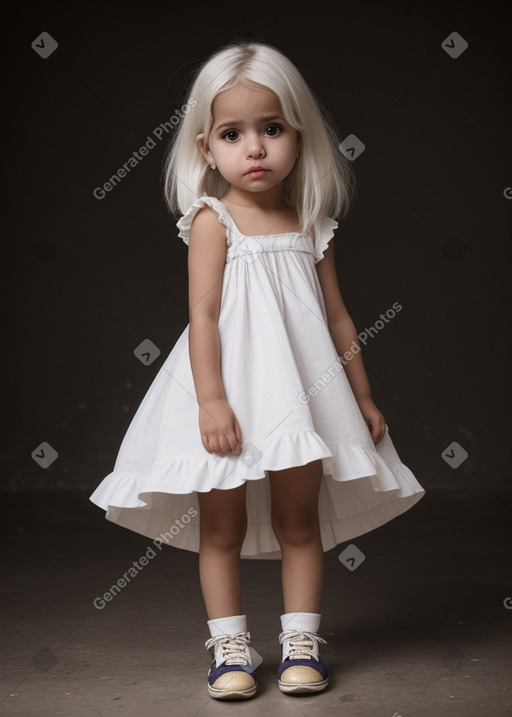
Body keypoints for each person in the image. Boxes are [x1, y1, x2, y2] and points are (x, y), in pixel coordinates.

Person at [89, 39, 426, 701]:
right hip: (232, 397)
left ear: (298, 136)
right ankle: (230, 646)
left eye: (272, 129)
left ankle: (301, 641)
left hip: (302, 397)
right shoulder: (213, 221)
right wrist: (211, 401)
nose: (256, 148)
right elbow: (205, 318)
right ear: (206, 148)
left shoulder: (310, 222)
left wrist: (361, 394)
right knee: (221, 522)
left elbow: (335, 318)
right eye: (233, 133)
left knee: (300, 519)